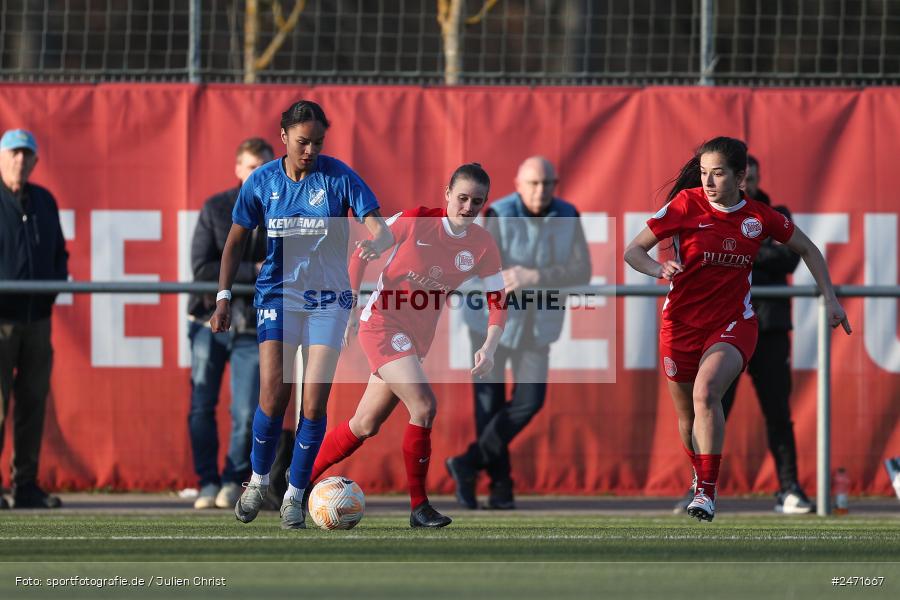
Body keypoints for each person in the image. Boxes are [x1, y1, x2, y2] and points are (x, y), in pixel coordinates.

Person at [624, 136, 851, 522]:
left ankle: (707, 494)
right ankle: (702, 478)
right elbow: (633, 251)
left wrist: (830, 297)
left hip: (734, 322)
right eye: (703, 173)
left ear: (741, 176)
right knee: (688, 418)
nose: (708, 182)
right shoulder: (684, 204)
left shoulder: (759, 217)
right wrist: (657, 268)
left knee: (707, 391)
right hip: (679, 324)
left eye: (718, 174)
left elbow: (809, 249)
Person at [210, 100, 393, 530]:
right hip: (278, 295)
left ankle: (295, 493)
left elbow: (379, 226)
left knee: (313, 403)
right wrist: (222, 296)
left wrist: (378, 241)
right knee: (273, 393)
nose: (310, 150)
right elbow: (235, 241)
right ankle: (256, 481)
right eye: (303, 141)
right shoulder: (262, 181)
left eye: (318, 142)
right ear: (284, 138)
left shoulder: (339, 177)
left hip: (328, 301)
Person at [306, 163, 506, 528]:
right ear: (446, 193)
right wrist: (349, 309)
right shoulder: (416, 220)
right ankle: (419, 507)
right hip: (382, 324)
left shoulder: (482, 244)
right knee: (424, 404)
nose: (467, 207)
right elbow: (363, 251)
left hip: (416, 339)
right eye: (461, 198)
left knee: (364, 424)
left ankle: (296, 482)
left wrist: (490, 346)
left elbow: (498, 298)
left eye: (477, 202)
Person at [447, 156, 591, 510]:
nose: (540, 191)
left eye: (547, 184)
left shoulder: (569, 215)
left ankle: (467, 463)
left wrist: (535, 277)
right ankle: (500, 488)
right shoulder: (497, 212)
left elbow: (581, 270)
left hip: (537, 325)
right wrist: (513, 276)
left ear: (556, 185)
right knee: (488, 406)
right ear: (518, 184)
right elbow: (486, 266)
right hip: (488, 323)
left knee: (530, 401)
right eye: (533, 183)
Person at [721, 155, 812, 514]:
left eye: (752, 177)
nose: (748, 184)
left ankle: (789, 489)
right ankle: (700, 487)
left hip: (769, 328)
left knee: (777, 412)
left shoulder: (777, 212)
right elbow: (712, 255)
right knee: (712, 408)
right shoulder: (718, 216)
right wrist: (761, 249)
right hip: (726, 328)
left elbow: (789, 259)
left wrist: (740, 250)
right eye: (742, 178)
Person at [187, 137, 274, 510]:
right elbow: (203, 268)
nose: (258, 173)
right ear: (238, 170)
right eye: (252, 166)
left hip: (253, 326)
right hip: (209, 320)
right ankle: (206, 482)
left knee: (244, 411)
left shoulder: (281, 209)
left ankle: (230, 482)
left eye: (265, 166)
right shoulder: (217, 207)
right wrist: (250, 271)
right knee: (201, 403)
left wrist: (242, 274)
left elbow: (280, 270)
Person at [0, 129, 68, 509]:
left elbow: (59, 253)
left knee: (32, 402)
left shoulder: (44, 200)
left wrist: (51, 288)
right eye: (13, 154)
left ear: (36, 161)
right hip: (1, 320)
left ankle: (24, 484)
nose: (19, 162)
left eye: (26, 156)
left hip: (37, 320)